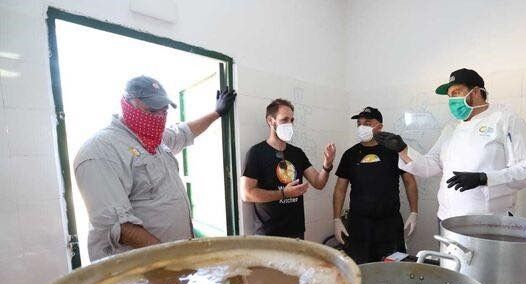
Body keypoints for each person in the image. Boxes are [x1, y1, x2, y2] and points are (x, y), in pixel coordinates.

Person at [74, 75, 236, 261]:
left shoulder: (154, 138)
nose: (159, 118)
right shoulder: (101, 151)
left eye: (164, 111)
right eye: (152, 110)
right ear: (127, 104)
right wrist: (171, 257)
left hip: (173, 264)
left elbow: (183, 133)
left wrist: (217, 113)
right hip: (139, 272)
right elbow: (117, 226)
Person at [375, 68, 526, 221]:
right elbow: (430, 166)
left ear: (476, 92)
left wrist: (483, 178)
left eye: (456, 93)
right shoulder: (451, 128)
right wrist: (403, 149)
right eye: (450, 96)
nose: (452, 100)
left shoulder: (505, 120)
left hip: (488, 221)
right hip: (447, 218)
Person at [332, 107, 419, 263]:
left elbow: (409, 181)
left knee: (392, 269)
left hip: (389, 223)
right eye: (359, 123)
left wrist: (414, 212)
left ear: (379, 126)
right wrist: (337, 219)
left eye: (367, 123)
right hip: (359, 223)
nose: (361, 127)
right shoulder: (350, 154)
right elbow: (340, 189)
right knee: (361, 269)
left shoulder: (393, 152)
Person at [241, 98, 336, 239]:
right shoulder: (256, 153)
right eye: (284, 120)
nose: (289, 124)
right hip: (268, 234)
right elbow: (246, 194)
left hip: (296, 232)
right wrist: (284, 194)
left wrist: (327, 165)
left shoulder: (297, 153)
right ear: (270, 121)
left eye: (292, 120)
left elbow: (318, 183)